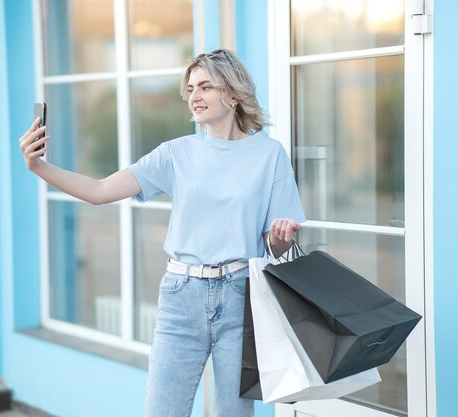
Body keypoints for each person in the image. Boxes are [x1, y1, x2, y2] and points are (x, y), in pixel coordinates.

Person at [19, 48, 305, 417]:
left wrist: (280, 239)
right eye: (190, 89)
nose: (194, 97)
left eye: (205, 87)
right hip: (181, 296)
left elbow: (276, 244)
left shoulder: (269, 155)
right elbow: (100, 191)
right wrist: (39, 166)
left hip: (240, 295)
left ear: (233, 94)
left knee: (234, 413)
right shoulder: (175, 154)